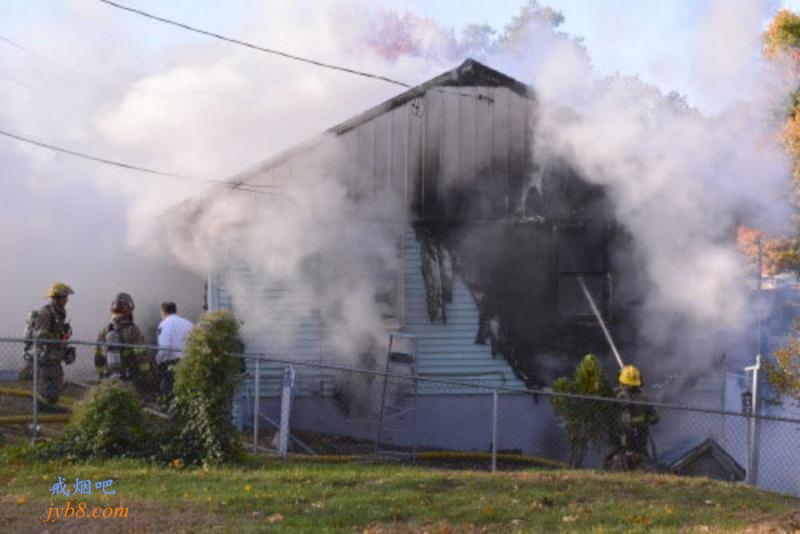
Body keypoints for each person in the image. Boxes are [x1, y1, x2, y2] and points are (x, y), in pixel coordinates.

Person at [94, 292, 153, 396]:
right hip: (128, 372)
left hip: (109, 373)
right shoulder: (132, 330)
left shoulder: (105, 330)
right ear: (128, 310)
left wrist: (101, 373)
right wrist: (146, 374)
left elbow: (98, 355)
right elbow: (141, 354)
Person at [32, 282, 76, 413]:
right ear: (57, 297)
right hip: (46, 355)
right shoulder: (46, 313)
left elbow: (58, 334)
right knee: (47, 381)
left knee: (56, 379)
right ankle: (43, 407)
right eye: (65, 297)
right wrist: (57, 342)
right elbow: (41, 336)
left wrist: (65, 347)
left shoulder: (59, 313)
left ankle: (50, 405)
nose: (67, 300)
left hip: (54, 354)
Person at [611, 364, 660, 470]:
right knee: (643, 461)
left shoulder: (614, 397)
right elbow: (654, 419)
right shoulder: (644, 400)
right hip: (639, 438)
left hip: (620, 438)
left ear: (622, 383)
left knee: (616, 460)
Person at [156, 301, 193, 396]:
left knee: (168, 388)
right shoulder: (188, 323)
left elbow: (165, 346)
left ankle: (168, 406)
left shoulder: (164, 324)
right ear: (176, 310)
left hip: (172, 362)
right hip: (188, 360)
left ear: (163, 312)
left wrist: (158, 360)